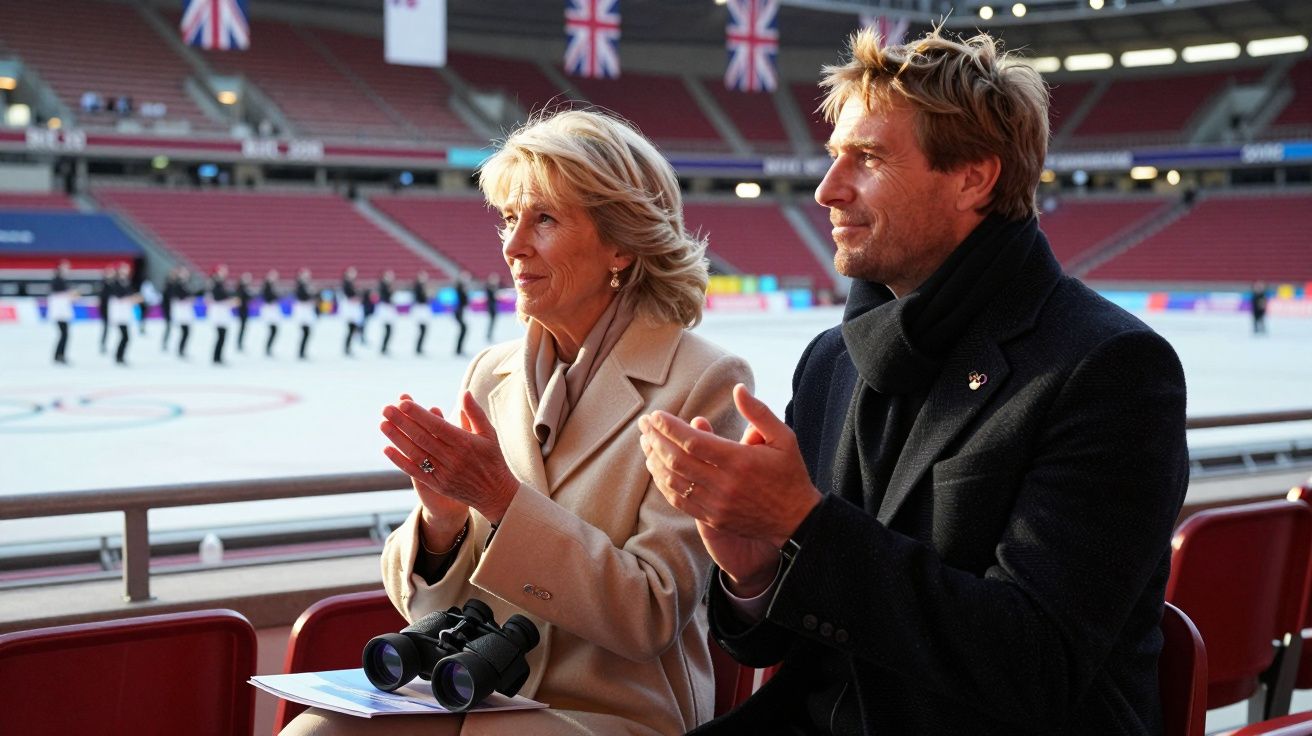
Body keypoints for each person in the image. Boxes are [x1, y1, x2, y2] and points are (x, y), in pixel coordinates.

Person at [639, 29, 1189, 735]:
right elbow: (771, 643)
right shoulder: (829, 362)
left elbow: (1036, 665)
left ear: (973, 178)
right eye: (835, 156)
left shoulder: (1109, 368)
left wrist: (803, 523)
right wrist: (754, 573)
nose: (827, 189)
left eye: (865, 158)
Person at [281, 109, 752, 736]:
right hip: (474, 694)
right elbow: (427, 606)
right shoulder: (490, 373)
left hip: (612, 714)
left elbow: (649, 615)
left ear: (621, 242)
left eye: (544, 219)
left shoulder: (702, 381)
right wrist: (443, 525)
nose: (512, 244)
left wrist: (502, 501)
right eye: (509, 218)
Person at [107, 262, 138, 366]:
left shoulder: (126, 282)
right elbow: (119, 296)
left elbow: (130, 293)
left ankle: (120, 356)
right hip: (119, 313)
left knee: (125, 336)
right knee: (125, 336)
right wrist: (131, 298)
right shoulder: (115, 282)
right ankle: (119, 357)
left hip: (124, 312)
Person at [48, 260, 77, 365]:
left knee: (64, 334)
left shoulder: (64, 280)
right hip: (59, 312)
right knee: (64, 334)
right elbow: (57, 293)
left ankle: (59, 355)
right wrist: (69, 294)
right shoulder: (56, 280)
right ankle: (59, 355)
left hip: (63, 311)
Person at [208, 265, 235, 366]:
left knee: (222, 335)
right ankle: (216, 357)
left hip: (222, 311)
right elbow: (218, 297)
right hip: (219, 311)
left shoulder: (220, 283)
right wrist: (229, 300)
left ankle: (218, 356)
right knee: (220, 335)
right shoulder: (215, 283)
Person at [294, 268, 316, 360]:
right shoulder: (300, 286)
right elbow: (301, 297)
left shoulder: (307, 286)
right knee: (305, 331)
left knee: (307, 332)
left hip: (307, 310)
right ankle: (301, 352)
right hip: (303, 310)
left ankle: (303, 351)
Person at [341, 267, 363, 357]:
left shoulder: (351, 283)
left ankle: (349, 347)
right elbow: (348, 295)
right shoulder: (346, 284)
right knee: (350, 328)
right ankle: (347, 348)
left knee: (353, 328)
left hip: (353, 307)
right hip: (349, 307)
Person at [261, 270, 281, 357]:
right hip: (269, 309)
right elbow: (267, 297)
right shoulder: (266, 286)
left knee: (274, 329)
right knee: (272, 329)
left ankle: (269, 348)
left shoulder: (272, 286)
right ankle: (267, 348)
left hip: (273, 309)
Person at [376, 271, 397, 356]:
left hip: (388, 308)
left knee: (389, 329)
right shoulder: (382, 285)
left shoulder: (389, 286)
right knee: (387, 328)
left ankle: (384, 347)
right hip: (385, 308)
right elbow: (384, 297)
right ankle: (383, 348)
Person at [412, 270, 432, 356]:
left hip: (423, 308)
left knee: (424, 329)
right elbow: (420, 298)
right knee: (422, 328)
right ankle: (418, 348)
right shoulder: (418, 286)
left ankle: (419, 347)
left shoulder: (423, 286)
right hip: (420, 308)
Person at [452, 271, 469, 357]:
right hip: (458, 311)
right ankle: (458, 350)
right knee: (463, 329)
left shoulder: (461, 288)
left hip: (460, 311)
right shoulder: (459, 288)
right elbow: (463, 300)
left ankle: (459, 349)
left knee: (463, 329)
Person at [97, 265, 114, 354]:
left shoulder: (113, 284)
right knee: (106, 327)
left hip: (113, 309)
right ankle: (103, 344)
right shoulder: (103, 284)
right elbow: (101, 297)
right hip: (105, 308)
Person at [235, 272, 254, 352]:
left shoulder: (245, 288)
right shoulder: (240, 288)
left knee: (243, 327)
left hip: (245, 309)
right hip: (241, 310)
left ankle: (240, 343)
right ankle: (239, 343)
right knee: (241, 327)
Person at [485, 272, 502, 342]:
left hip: (493, 306)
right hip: (491, 307)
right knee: (491, 322)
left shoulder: (493, 288)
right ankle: (489, 335)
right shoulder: (489, 288)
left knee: (492, 322)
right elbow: (491, 297)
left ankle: (490, 335)